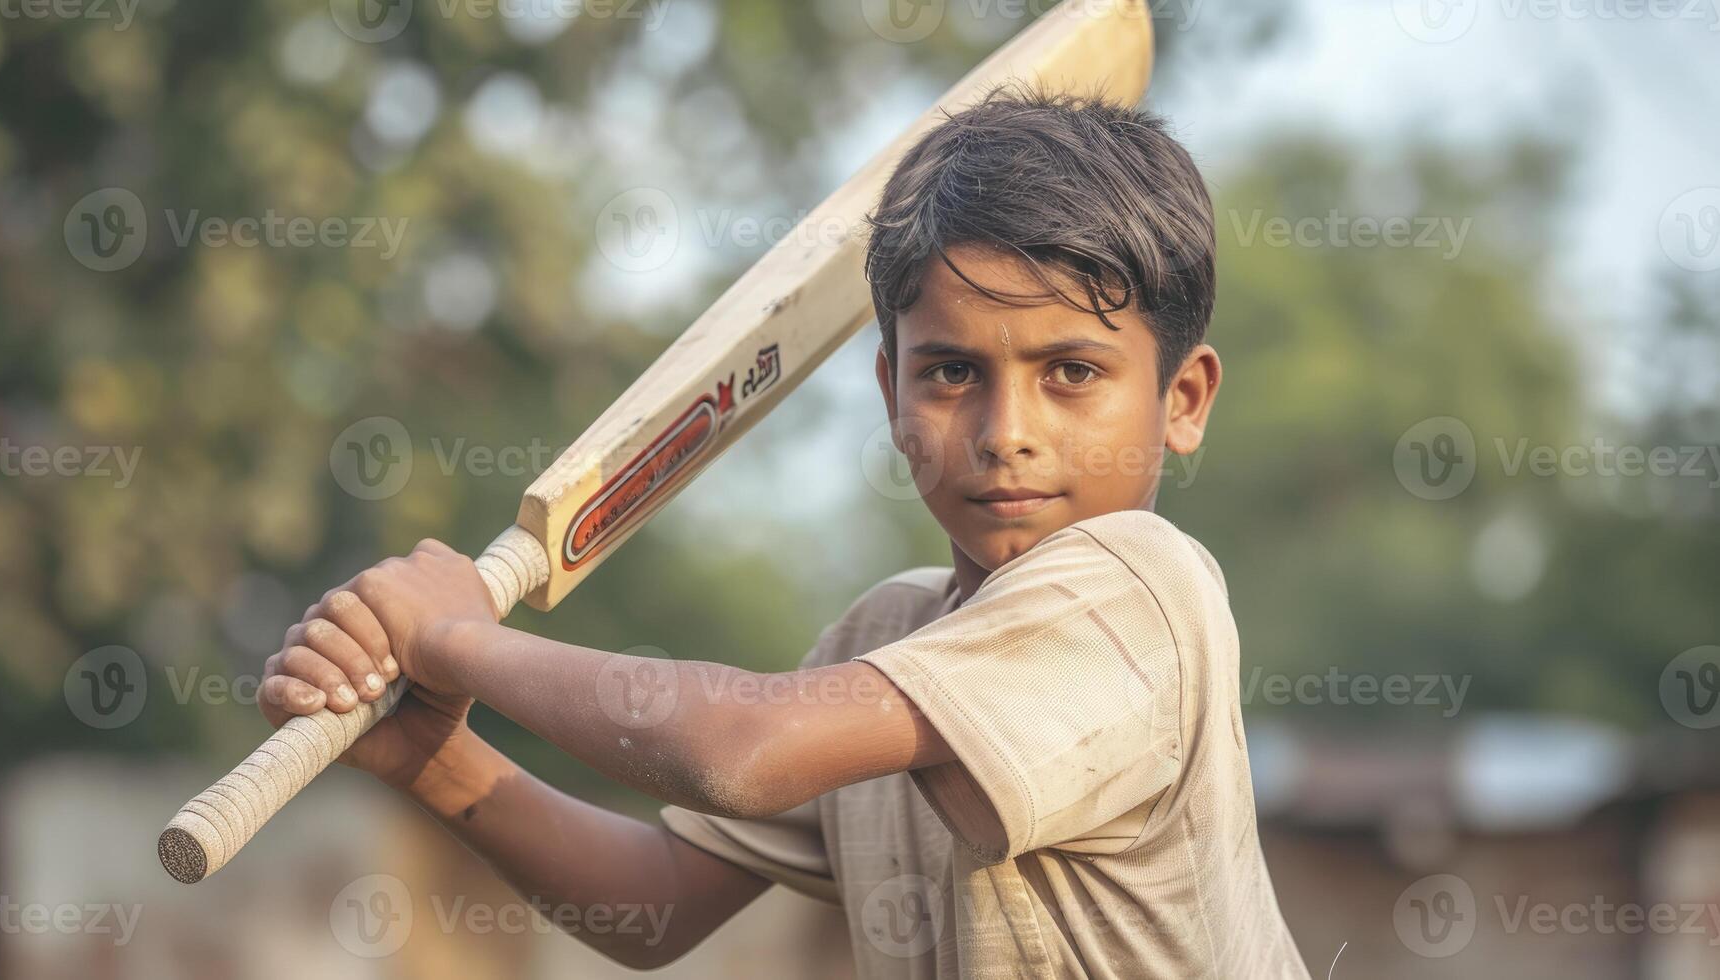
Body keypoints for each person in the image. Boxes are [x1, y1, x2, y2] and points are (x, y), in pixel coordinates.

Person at [260, 86, 1311, 978]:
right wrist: (431, 754)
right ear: (891, 388)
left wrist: (456, 638)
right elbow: (657, 901)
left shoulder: (1141, 587)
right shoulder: (887, 637)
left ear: (1184, 397)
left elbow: (744, 749)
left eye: (1071, 373)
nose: (1007, 434)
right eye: (952, 372)